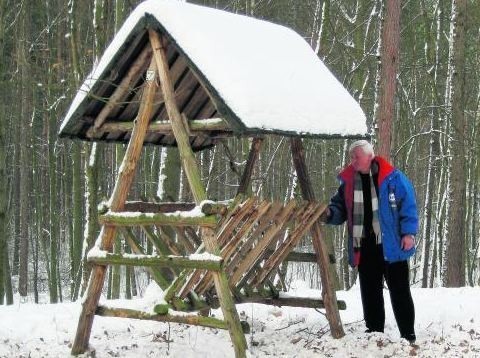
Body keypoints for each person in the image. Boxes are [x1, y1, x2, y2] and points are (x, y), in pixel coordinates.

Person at [324, 140, 417, 343]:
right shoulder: (348, 183)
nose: (353, 161)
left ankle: (408, 334)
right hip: (364, 245)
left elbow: (408, 205)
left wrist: (408, 234)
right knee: (370, 291)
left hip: (391, 245)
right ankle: (375, 332)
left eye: (356, 156)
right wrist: (330, 213)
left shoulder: (392, 178)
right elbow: (339, 208)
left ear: (369, 156)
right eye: (351, 157)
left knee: (400, 290)